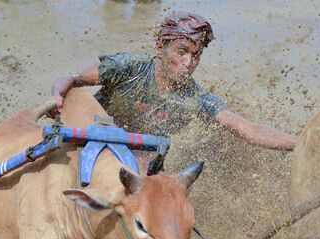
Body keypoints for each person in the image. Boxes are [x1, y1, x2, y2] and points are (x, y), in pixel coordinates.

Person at [51, 11, 296, 152]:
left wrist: (300, 143)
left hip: (139, 158)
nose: (189, 63)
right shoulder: (129, 67)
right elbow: (71, 79)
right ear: (160, 48)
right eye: (181, 52)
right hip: (91, 139)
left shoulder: (196, 99)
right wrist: (56, 98)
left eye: (196, 55)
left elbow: (248, 129)